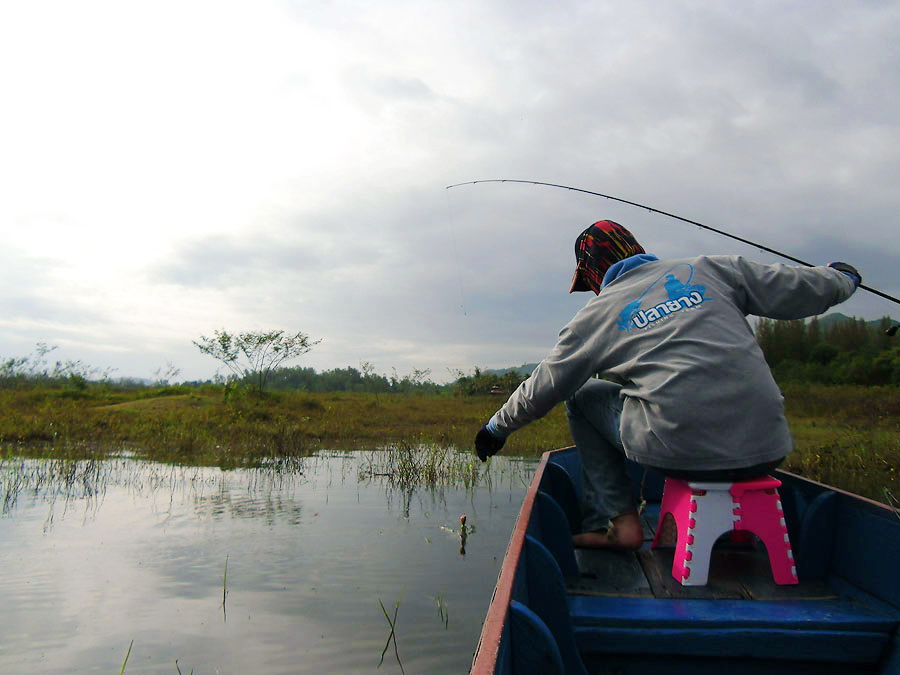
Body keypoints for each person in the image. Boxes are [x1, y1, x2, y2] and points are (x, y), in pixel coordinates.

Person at [474, 220, 860, 551]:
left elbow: (545, 385)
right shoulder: (713, 269)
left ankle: (617, 525)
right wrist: (843, 276)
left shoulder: (596, 314)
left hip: (677, 453)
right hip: (769, 447)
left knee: (580, 395)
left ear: (592, 272)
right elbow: (804, 285)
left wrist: (495, 429)